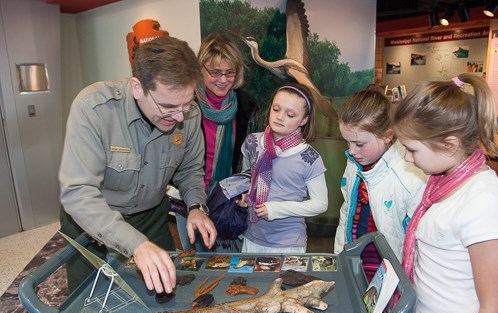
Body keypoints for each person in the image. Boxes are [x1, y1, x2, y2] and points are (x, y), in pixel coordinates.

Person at [59, 36, 217, 294]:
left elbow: (189, 170)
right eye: (168, 106)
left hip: (150, 219)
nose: (179, 117)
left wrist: (197, 207)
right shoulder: (93, 108)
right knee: (89, 302)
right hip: (90, 223)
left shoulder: (188, 113)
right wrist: (135, 244)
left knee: (163, 295)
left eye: (185, 105)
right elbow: (78, 193)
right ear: (137, 87)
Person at [392, 73, 498, 313]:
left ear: (449, 145)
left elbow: (493, 307)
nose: (406, 158)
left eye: (412, 149)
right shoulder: (441, 185)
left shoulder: (483, 201)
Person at [175, 33, 262, 252]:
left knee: (230, 264)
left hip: (229, 201)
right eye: (215, 72)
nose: (223, 80)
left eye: (229, 72)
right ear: (199, 70)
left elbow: (254, 160)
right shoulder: (183, 105)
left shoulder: (247, 107)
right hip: (190, 199)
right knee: (197, 261)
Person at [334, 87, 427, 280]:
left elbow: (417, 243)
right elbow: (346, 211)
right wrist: (339, 257)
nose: (351, 151)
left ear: (387, 135)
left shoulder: (410, 176)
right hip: (355, 261)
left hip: (389, 270)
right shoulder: (355, 162)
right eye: (347, 142)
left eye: (359, 144)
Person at [237, 83, 328, 253]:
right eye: (276, 109)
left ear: (304, 120)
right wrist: (244, 196)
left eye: (290, 114)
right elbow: (246, 178)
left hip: (289, 244)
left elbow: (320, 204)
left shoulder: (309, 157)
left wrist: (277, 209)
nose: (280, 117)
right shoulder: (253, 142)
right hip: (252, 237)